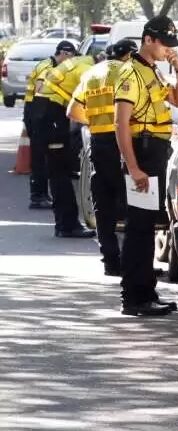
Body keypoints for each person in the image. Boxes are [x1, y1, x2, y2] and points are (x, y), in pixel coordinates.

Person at [114, 16, 178, 316]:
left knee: (146, 227)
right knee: (139, 228)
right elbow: (120, 122)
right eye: (164, 44)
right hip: (142, 154)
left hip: (153, 152)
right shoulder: (131, 72)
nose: (167, 50)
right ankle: (134, 297)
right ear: (148, 40)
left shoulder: (152, 71)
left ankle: (145, 291)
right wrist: (133, 167)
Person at [68, 40, 137, 276]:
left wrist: (94, 122)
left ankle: (110, 260)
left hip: (99, 143)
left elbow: (72, 111)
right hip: (126, 142)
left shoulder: (92, 74)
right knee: (133, 205)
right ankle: (132, 263)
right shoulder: (130, 72)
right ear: (128, 55)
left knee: (103, 204)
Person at [33, 48, 97, 238]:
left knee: (58, 172)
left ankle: (64, 224)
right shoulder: (87, 69)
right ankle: (67, 225)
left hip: (46, 113)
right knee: (60, 174)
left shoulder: (77, 62)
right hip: (52, 115)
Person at [24, 41, 75, 210]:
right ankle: (37, 196)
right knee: (39, 156)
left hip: (38, 111)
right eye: (70, 57)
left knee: (43, 154)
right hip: (37, 111)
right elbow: (40, 88)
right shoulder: (48, 66)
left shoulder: (50, 64)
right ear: (64, 53)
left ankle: (41, 194)